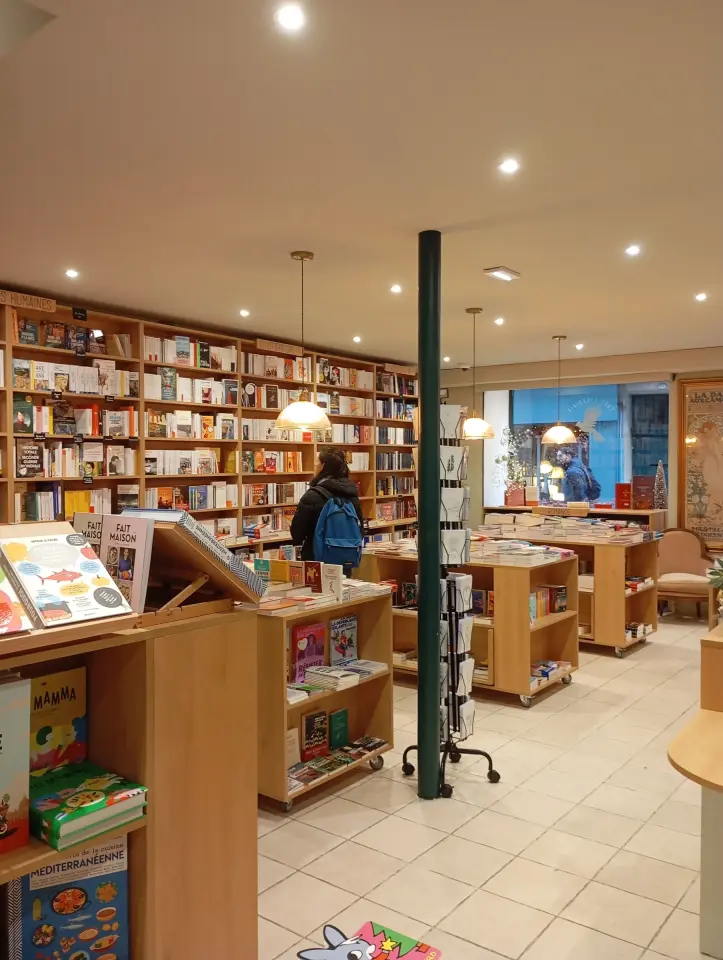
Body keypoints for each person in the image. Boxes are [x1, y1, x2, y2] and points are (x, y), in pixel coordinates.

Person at [291, 447, 364, 560]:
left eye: (316, 464)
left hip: (316, 560)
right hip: (346, 559)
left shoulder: (313, 495)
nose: (315, 467)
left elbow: (297, 534)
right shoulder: (351, 494)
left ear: (323, 466)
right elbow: (360, 530)